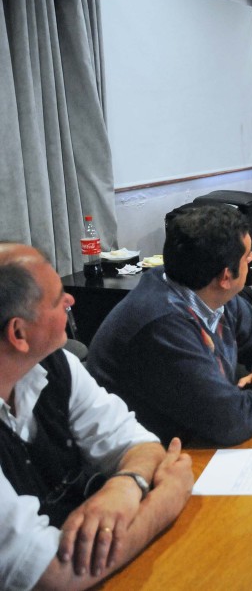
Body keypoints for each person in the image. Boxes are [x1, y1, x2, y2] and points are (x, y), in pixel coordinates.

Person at [0, 243, 193, 590]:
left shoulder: (57, 365)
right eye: (59, 299)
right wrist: (165, 501)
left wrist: (125, 484)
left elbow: (140, 443)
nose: (71, 302)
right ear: (18, 334)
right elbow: (51, 574)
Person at [87, 205, 252, 447]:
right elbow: (230, 422)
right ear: (226, 277)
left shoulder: (211, 293)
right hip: (153, 460)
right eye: (247, 255)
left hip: (197, 439)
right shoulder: (160, 324)